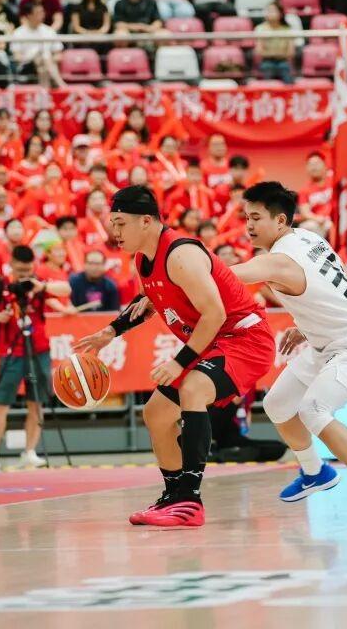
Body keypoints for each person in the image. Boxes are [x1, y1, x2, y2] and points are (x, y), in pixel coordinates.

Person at [73, 186, 275, 528]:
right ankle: (173, 495)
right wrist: (111, 332)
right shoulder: (143, 259)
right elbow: (149, 302)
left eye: (120, 223)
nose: (114, 232)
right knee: (155, 414)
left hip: (245, 339)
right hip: (213, 342)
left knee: (193, 388)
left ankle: (190, 501)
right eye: (112, 224)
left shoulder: (181, 255)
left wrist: (179, 362)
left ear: (146, 221)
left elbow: (214, 314)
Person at [230, 182, 347, 520]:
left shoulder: (278, 261)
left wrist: (180, 269)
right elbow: (327, 287)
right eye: (246, 217)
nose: (249, 225)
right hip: (325, 340)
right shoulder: (308, 237)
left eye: (256, 218)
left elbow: (225, 276)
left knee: (313, 409)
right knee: (278, 404)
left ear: (280, 220)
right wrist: (306, 325)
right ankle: (315, 472)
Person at [0, 244, 72, 472]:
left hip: (38, 350)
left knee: (36, 403)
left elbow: (66, 289)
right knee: (0, 404)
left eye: (28, 270)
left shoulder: (38, 283)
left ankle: (30, 452)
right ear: (11, 264)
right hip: (11, 351)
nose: (24, 275)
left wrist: (42, 286)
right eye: (20, 270)